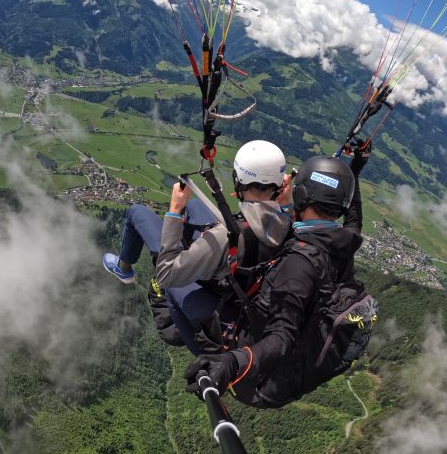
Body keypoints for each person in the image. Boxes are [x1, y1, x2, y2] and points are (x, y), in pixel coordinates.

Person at [184, 145, 376, 408]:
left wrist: (232, 362)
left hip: (258, 383)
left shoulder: (299, 264)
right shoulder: (343, 242)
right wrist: (354, 168)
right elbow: (354, 220)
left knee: (186, 300)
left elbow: (282, 337)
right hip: (294, 365)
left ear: (301, 196)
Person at [101, 140, 293, 350]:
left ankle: (124, 269)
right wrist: (288, 203)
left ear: (238, 181)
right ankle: (188, 245)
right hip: (241, 281)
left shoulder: (224, 237)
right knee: (194, 205)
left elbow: (166, 275)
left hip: (222, 290)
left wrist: (174, 212)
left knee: (136, 212)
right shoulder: (290, 222)